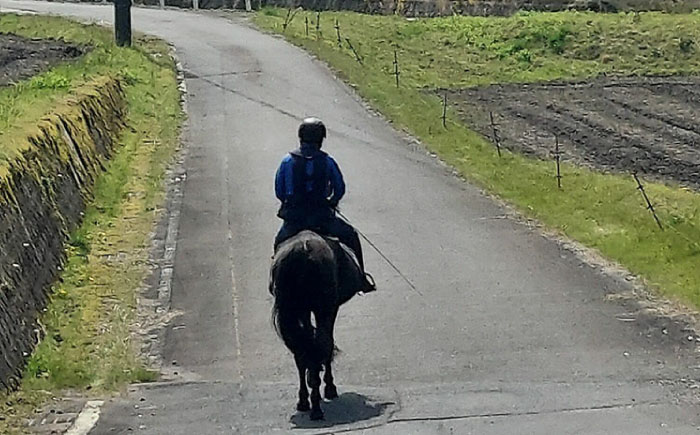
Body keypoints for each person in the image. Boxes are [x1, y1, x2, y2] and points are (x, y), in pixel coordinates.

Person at [274, 117, 376, 293]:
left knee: (279, 243)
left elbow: (279, 191)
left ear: (300, 138)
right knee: (351, 235)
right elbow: (340, 188)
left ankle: (276, 281)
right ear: (321, 140)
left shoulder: (287, 162)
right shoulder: (328, 162)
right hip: (322, 218)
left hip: (295, 220)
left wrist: (290, 203)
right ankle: (361, 278)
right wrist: (332, 202)